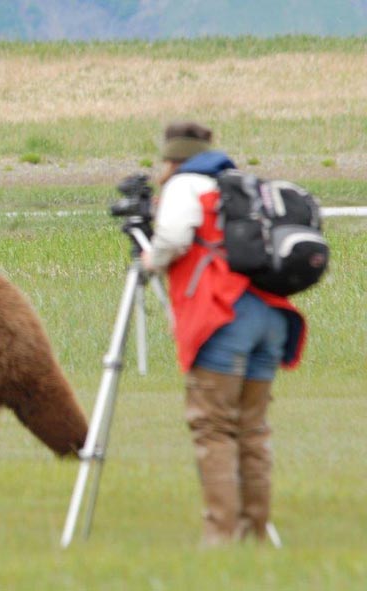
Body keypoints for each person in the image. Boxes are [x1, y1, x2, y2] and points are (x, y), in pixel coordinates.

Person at [142, 121, 306, 546]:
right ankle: (254, 535)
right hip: (270, 315)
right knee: (252, 429)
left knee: (213, 428)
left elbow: (175, 236)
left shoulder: (184, 184)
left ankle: (219, 538)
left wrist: (150, 259)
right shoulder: (239, 183)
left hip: (224, 315)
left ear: (171, 157)